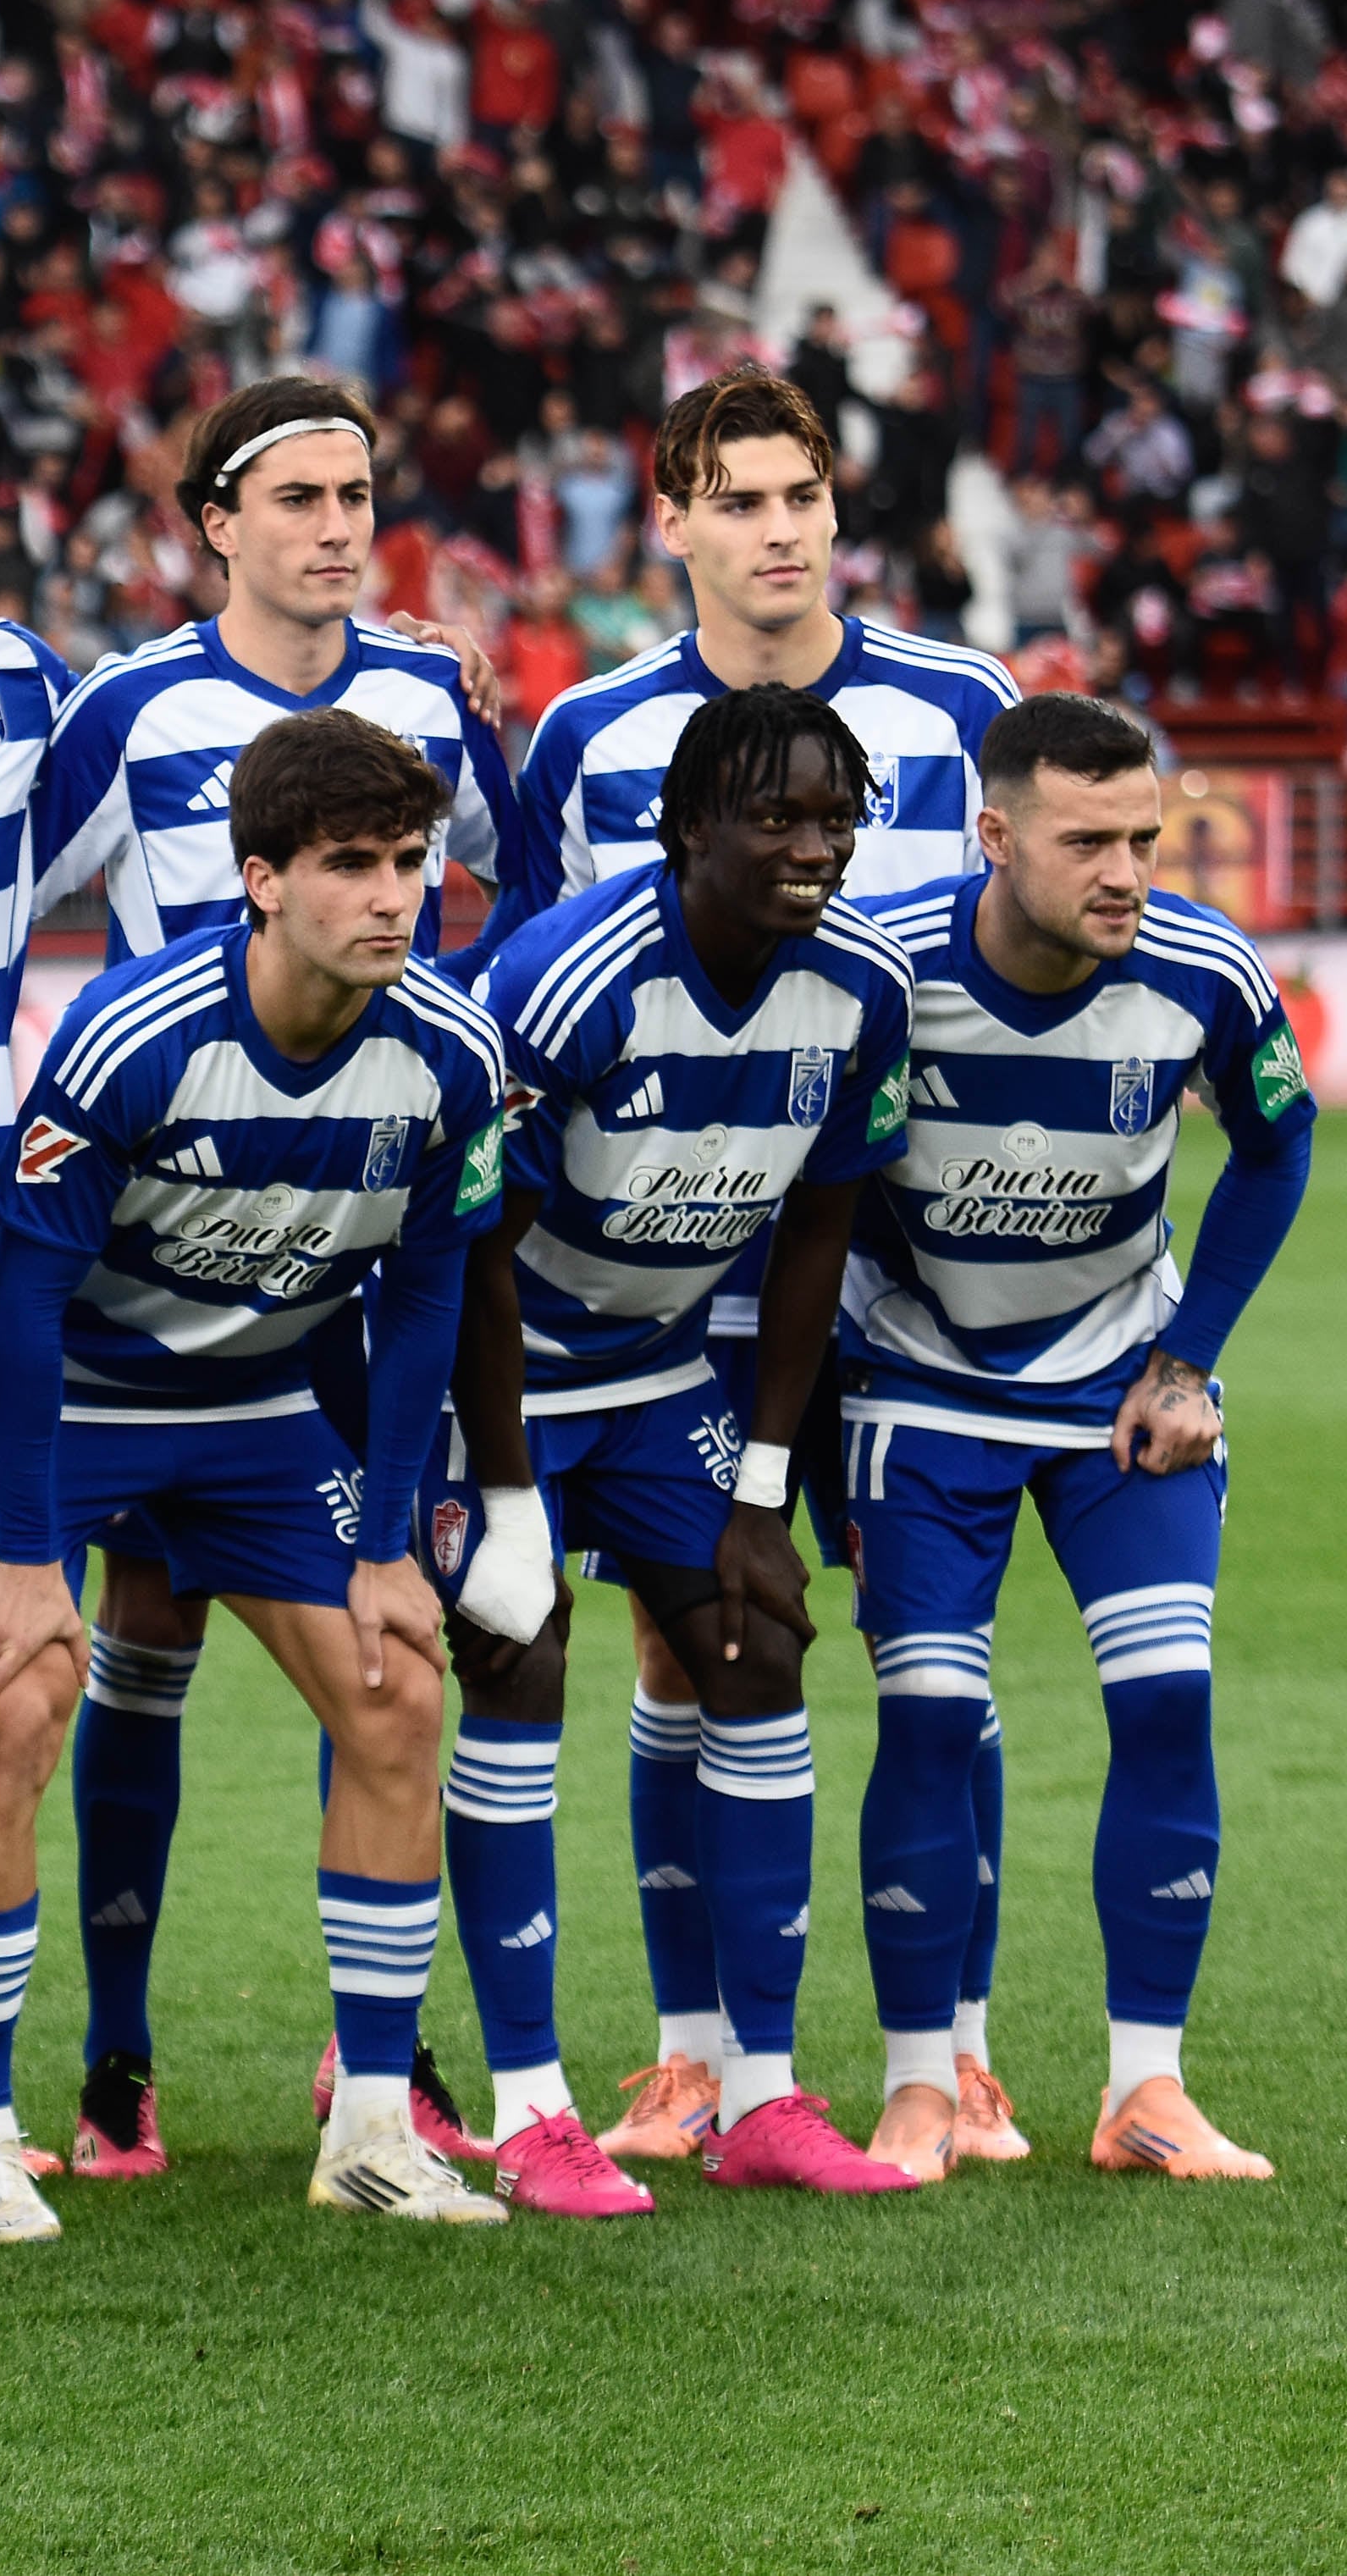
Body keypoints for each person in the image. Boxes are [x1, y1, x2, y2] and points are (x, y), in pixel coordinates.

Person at [19, 372, 549, 2175]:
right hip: (148, 1244)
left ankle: (368, 2065)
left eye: (361, 494)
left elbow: (517, 874)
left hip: (335, 1247)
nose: (339, 527)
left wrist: (457, 1053)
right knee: (129, 1650)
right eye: (302, 496)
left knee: (382, 1632)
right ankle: (111, 2061)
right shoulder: (132, 706)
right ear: (215, 522)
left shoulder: (426, 692)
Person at [508, 366, 1019, 2163]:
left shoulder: (965, 707)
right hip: (676, 1276)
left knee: (926, 1637)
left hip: (909, 1260)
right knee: (687, 1638)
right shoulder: (588, 737)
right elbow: (540, 988)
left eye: (802, 494)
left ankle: (949, 2044)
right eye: (738, 500)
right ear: (674, 519)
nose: (779, 530)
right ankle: (695, 2048)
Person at [0, 709, 513, 2232]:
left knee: (396, 1697)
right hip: (67, 1391)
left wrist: (387, 1543)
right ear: (259, 878)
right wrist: (12, 1553)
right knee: (14, 1701)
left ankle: (373, 2127)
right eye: (349, 867)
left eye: (410, 865)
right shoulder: (131, 1037)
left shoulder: (450, 1053)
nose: (395, 897)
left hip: (256, 1407)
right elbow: (30, 1298)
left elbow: (429, 1301)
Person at [429, 683, 923, 2201]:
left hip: (655, 1378)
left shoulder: (861, 990)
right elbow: (469, 1249)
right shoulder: (565, 980)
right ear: (686, 823)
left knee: (760, 1637)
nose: (812, 846)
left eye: (835, 818)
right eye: (775, 816)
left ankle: (759, 2099)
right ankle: (525, 2103)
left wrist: (764, 1490)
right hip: (492, 1371)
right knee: (520, 1646)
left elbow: (817, 1235)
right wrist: (508, 1498)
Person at [838, 694, 1312, 2182]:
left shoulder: (1202, 972)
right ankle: (924, 2086)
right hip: (919, 1381)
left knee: (1167, 1704)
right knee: (923, 1715)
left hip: (1119, 1382)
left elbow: (1278, 1139)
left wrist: (1189, 1360)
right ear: (993, 836)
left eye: (1144, 839)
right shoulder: (882, 971)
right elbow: (808, 1179)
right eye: (1086, 841)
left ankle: (1144, 2092)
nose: (1125, 872)